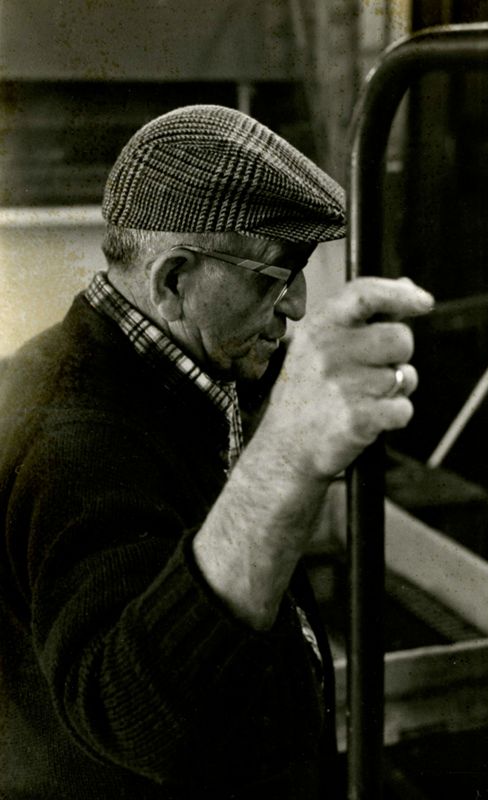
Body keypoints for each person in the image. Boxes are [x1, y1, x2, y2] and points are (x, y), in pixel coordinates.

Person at [0, 104, 433, 799]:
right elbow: (134, 714)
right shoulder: (71, 442)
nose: (296, 305)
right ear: (173, 281)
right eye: (274, 277)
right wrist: (288, 454)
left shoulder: (167, 362)